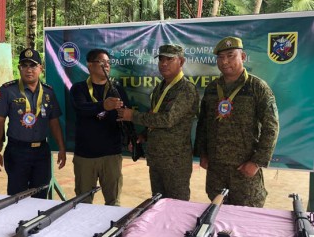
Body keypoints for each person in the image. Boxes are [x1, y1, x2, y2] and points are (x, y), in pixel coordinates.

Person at [194, 36, 280, 207]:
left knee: (247, 218)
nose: (225, 61)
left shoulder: (257, 87)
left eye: (230, 55)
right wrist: (202, 154)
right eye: (220, 57)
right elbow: (203, 123)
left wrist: (257, 162)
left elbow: (271, 127)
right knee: (218, 217)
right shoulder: (212, 88)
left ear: (243, 57)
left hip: (244, 170)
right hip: (216, 171)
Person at [118, 44, 199, 200]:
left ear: (181, 62)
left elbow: (168, 119)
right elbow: (154, 118)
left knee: (177, 206)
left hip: (175, 161)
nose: (164, 63)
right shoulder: (159, 88)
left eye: (169, 59)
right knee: (158, 203)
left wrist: (132, 116)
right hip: (156, 158)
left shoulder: (186, 89)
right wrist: (143, 136)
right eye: (161, 59)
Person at [0, 48, 66, 199]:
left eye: (33, 65)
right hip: (17, 151)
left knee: (41, 195)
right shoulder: (7, 90)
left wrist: (62, 148)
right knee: (17, 196)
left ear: (40, 68)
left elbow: (54, 122)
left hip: (41, 152)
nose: (29, 70)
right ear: (19, 68)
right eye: (24, 66)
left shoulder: (48, 92)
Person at [70, 48, 130, 206]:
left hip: (111, 155)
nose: (107, 66)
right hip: (85, 156)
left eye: (109, 63)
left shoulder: (116, 89)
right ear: (90, 65)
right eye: (102, 62)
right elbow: (81, 109)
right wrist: (104, 105)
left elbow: (126, 115)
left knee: (113, 202)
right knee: (83, 202)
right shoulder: (78, 88)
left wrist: (131, 137)